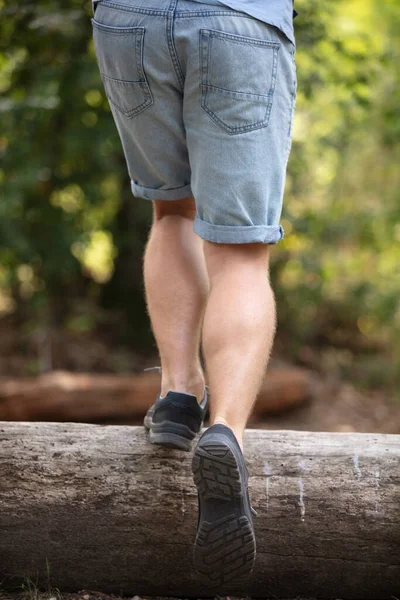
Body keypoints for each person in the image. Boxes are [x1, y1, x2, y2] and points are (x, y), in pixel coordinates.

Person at [91, 0, 297, 586]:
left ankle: (178, 393)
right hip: (239, 21)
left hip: (131, 22)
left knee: (171, 212)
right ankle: (225, 430)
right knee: (239, 250)